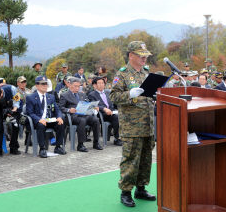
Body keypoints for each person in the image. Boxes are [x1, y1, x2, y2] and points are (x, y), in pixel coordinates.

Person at [109, 41, 156, 207]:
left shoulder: (146, 73)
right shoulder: (122, 74)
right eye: (140, 55)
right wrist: (130, 94)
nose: (144, 58)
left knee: (145, 158)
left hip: (148, 124)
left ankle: (141, 188)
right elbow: (113, 97)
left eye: (145, 55)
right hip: (131, 126)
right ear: (131, 55)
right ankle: (126, 192)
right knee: (130, 159)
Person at [26, 76, 66, 158]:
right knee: (41, 125)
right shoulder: (30, 97)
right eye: (43, 84)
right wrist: (39, 119)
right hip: (38, 121)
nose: (45, 86)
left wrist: (59, 117)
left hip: (49, 120)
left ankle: (58, 147)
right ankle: (42, 148)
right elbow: (30, 113)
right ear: (37, 86)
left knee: (60, 123)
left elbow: (57, 109)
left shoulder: (51, 97)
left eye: (46, 84)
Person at [58, 77, 103, 152]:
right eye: (75, 86)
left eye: (79, 86)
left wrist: (94, 107)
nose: (77, 88)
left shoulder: (82, 94)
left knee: (96, 120)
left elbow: (87, 104)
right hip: (73, 116)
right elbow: (60, 107)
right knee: (82, 120)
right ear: (70, 85)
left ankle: (96, 142)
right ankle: (80, 144)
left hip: (84, 114)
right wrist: (69, 110)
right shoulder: (64, 95)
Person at [0, 83, 22, 157]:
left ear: (2, 93)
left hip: (12, 107)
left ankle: (14, 148)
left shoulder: (11, 88)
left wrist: (14, 110)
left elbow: (17, 99)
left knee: (15, 126)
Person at [88, 77, 122, 146]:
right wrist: (104, 109)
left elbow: (114, 103)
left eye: (103, 83)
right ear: (94, 85)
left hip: (111, 112)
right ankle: (117, 139)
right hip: (101, 114)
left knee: (122, 115)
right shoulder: (92, 94)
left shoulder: (108, 92)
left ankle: (123, 137)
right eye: (99, 83)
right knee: (116, 117)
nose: (101, 85)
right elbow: (94, 105)